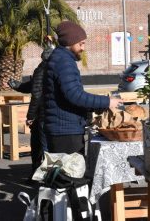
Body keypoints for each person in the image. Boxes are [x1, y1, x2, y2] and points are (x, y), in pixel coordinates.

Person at [43, 21, 122, 155]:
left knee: (65, 172)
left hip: (63, 127)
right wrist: (107, 101)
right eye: (81, 44)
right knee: (71, 174)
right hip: (65, 131)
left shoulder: (61, 58)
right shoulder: (64, 62)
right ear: (69, 43)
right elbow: (75, 95)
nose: (83, 48)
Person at [8, 36, 54, 180]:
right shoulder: (53, 69)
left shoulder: (42, 69)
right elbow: (34, 86)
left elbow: (36, 93)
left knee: (41, 148)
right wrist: (18, 86)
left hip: (42, 115)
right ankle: (40, 176)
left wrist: (30, 116)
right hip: (49, 114)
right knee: (42, 148)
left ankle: (43, 177)